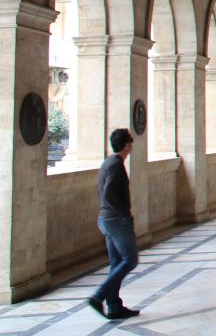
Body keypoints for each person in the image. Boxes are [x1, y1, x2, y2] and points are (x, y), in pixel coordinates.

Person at [87, 128, 141, 320]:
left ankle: (114, 306)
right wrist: (124, 214)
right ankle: (99, 296)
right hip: (116, 220)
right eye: (130, 143)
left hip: (106, 219)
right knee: (130, 260)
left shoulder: (108, 162)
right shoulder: (116, 165)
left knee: (116, 262)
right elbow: (109, 193)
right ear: (127, 145)